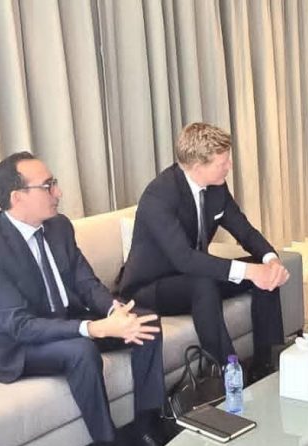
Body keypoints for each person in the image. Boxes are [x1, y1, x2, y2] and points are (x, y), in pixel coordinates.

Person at [0, 152, 166, 446]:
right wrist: (93, 329)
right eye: (48, 186)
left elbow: (86, 283)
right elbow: (20, 325)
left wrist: (114, 311)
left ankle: (145, 427)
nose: (59, 192)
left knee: (145, 322)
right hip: (14, 344)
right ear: (17, 197)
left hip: (62, 320)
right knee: (80, 350)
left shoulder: (58, 226)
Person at [119, 122, 289, 376]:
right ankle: (228, 373)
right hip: (150, 287)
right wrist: (249, 272)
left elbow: (243, 229)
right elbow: (185, 259)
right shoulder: (159, 196)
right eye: (223, 163)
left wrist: (270, 260)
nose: (229, 166)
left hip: (193, 274)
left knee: (263, 274)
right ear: (198, 167)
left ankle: (269, 366)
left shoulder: (216, 187)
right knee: (204, 283)